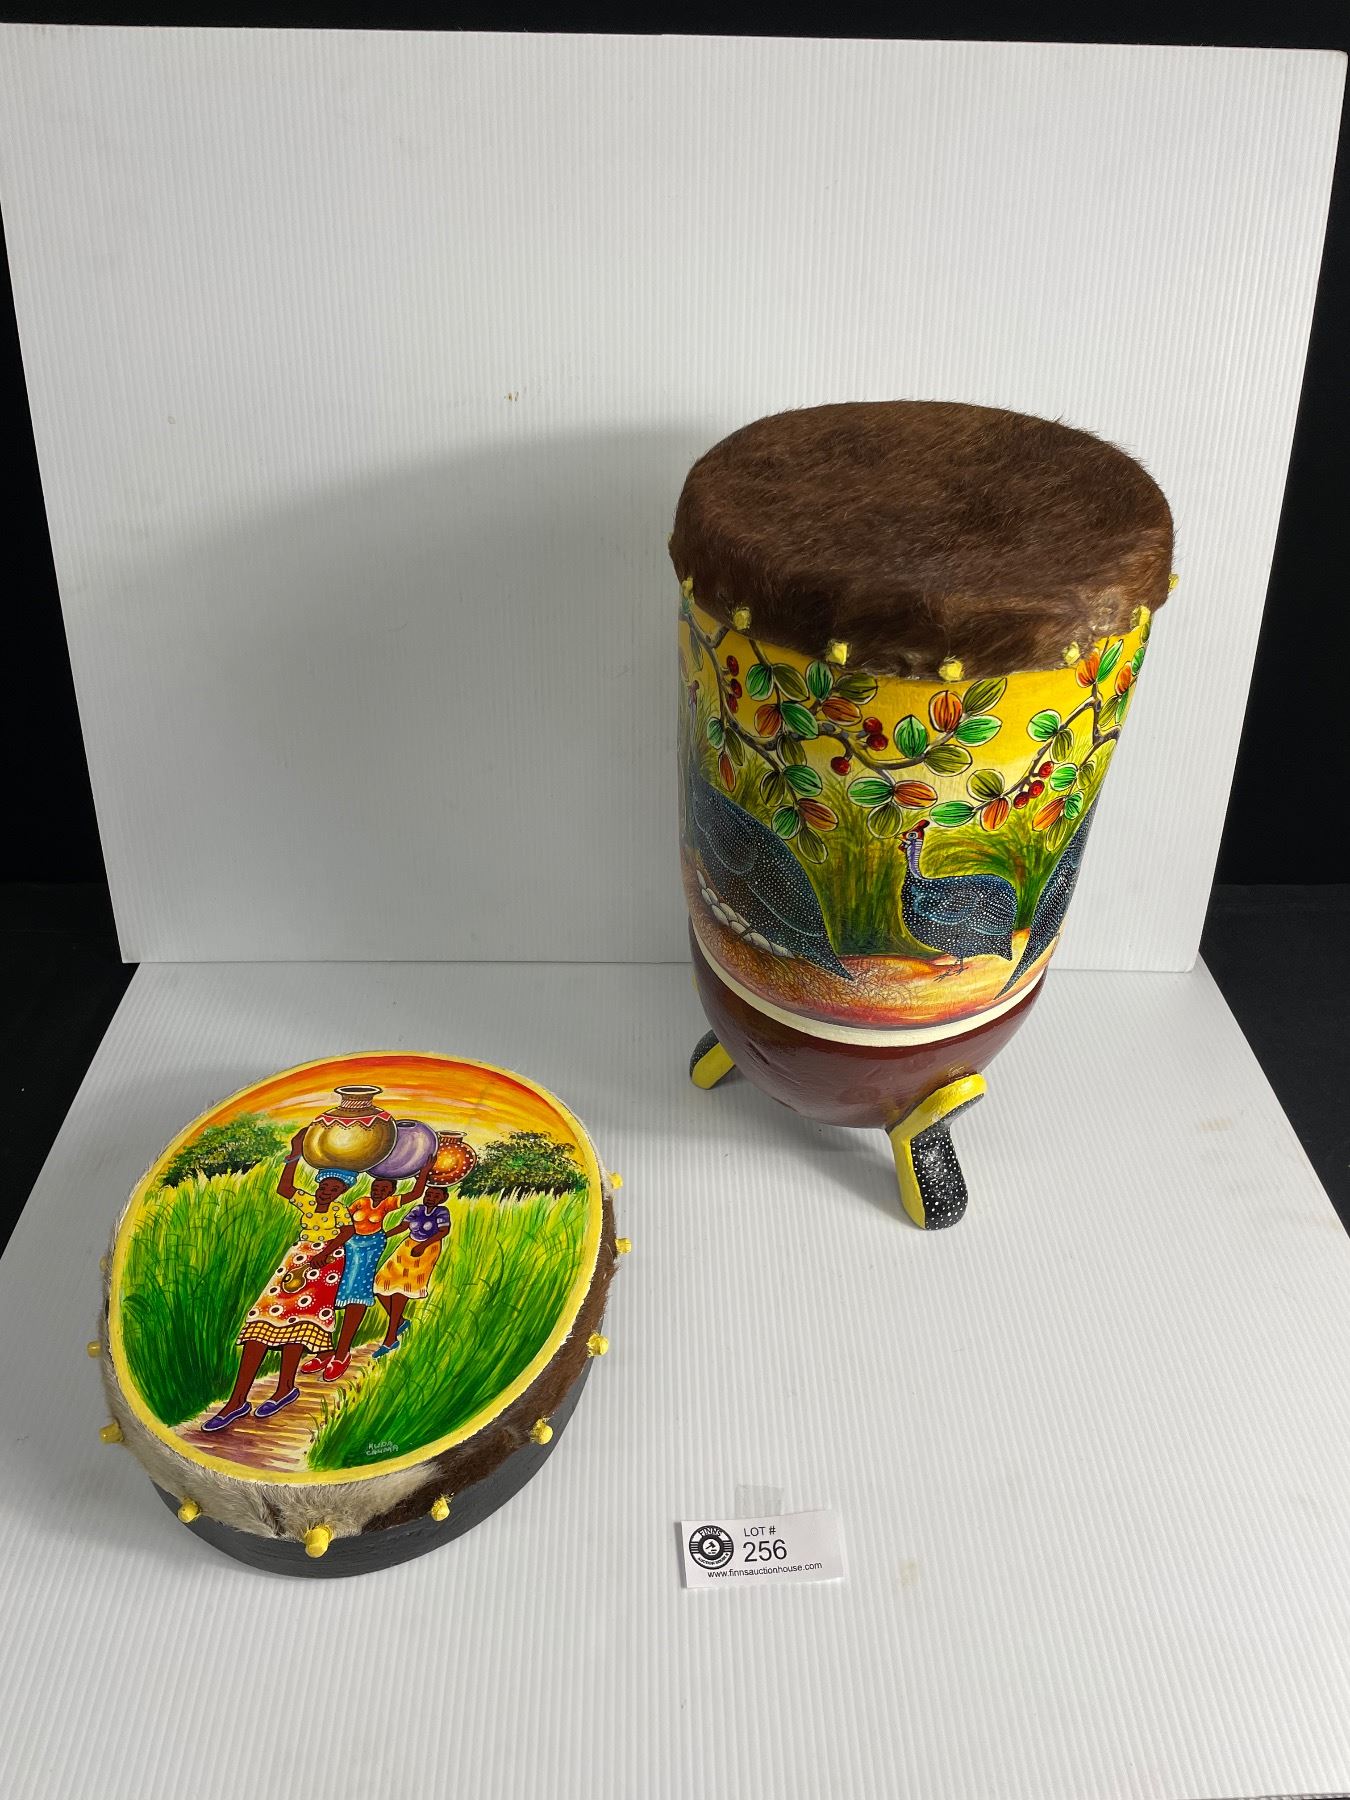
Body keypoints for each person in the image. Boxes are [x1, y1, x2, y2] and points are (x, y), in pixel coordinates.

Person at [203, 1130, 354, 1431]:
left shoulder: (339, 1210)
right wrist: (295, 1153)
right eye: (324, 1186)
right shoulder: (308, 1202)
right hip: (296, 1259)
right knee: (263, 1321)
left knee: (298, 1325)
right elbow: (285, 1188)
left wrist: (325, 1252)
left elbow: (348, 1231)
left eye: (334, 1188)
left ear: (341, 1192)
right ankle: (237, 1401)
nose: (327, 1192)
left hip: (325, 1266)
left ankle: (284, 1388)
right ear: (318, 1185)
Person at [319, 1157, 431, 1382]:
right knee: (338, 1285)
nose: (378, 1191)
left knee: (358, 1287)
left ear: (390, 1192)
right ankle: (326, 1351)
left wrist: (424, 1173)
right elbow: (343, 1218)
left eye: (384, 1189)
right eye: (376, 1187)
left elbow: (414, 1195)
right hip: (350, 1243)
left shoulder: (388, 1204)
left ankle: (342, 1353)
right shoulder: (361, 1201)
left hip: (371, 1245)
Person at [370, 1183, 453, 1356]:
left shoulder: (441, 1212)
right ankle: (400, 1321)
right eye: (428, 1194)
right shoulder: (418, 1209)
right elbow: (403, 1226)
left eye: (436, 1196)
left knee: (401, 1291)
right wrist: (383, 1236)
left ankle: (391, 1338)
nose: (430, 1198)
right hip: (407, 1246)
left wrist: (423, 1245)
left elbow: (443, 1231)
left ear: (443, 1198)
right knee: (380, 1284)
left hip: (426, 1250)